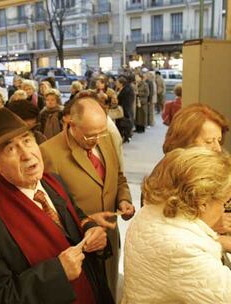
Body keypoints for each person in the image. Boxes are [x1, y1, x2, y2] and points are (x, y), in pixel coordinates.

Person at [0, 107, 114, 304]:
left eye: (27, 140)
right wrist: (56, 274)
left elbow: (75, 217)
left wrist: (91, 229)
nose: (26, 154)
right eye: (11, 148)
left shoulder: (54, 183)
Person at [40, 94, 134, 300]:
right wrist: (87, 224)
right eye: (90, 136)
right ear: (70, 123)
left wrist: (124, 199)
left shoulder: (103, 138)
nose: (97, 140)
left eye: (101, 133)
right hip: (79, 246)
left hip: (109, 235)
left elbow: (118, 177)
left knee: (110, 289)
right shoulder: (49, 153)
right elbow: (49, 209)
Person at [122, 147, 231, 304]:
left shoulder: (153, 210)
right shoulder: (183, 250)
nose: (223, 210)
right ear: (202, 203)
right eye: (225, 203)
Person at [162, 103, 231, 231]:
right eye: (209, 142)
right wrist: (210, 227)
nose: (218, 148)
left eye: (219, 140)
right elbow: (166, 236)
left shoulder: (219, 172)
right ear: (184, 143)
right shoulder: (164, 180)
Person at [115, 76, 135, 143]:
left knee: (125, 122)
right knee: (123, 123)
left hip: (125, 108)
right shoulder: (121, 89)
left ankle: (126, 136)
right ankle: (125, 136)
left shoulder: (127, 90)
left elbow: (124, 100)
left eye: (117, 82)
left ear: (121, 83)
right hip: (124, 108)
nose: (116, 84)